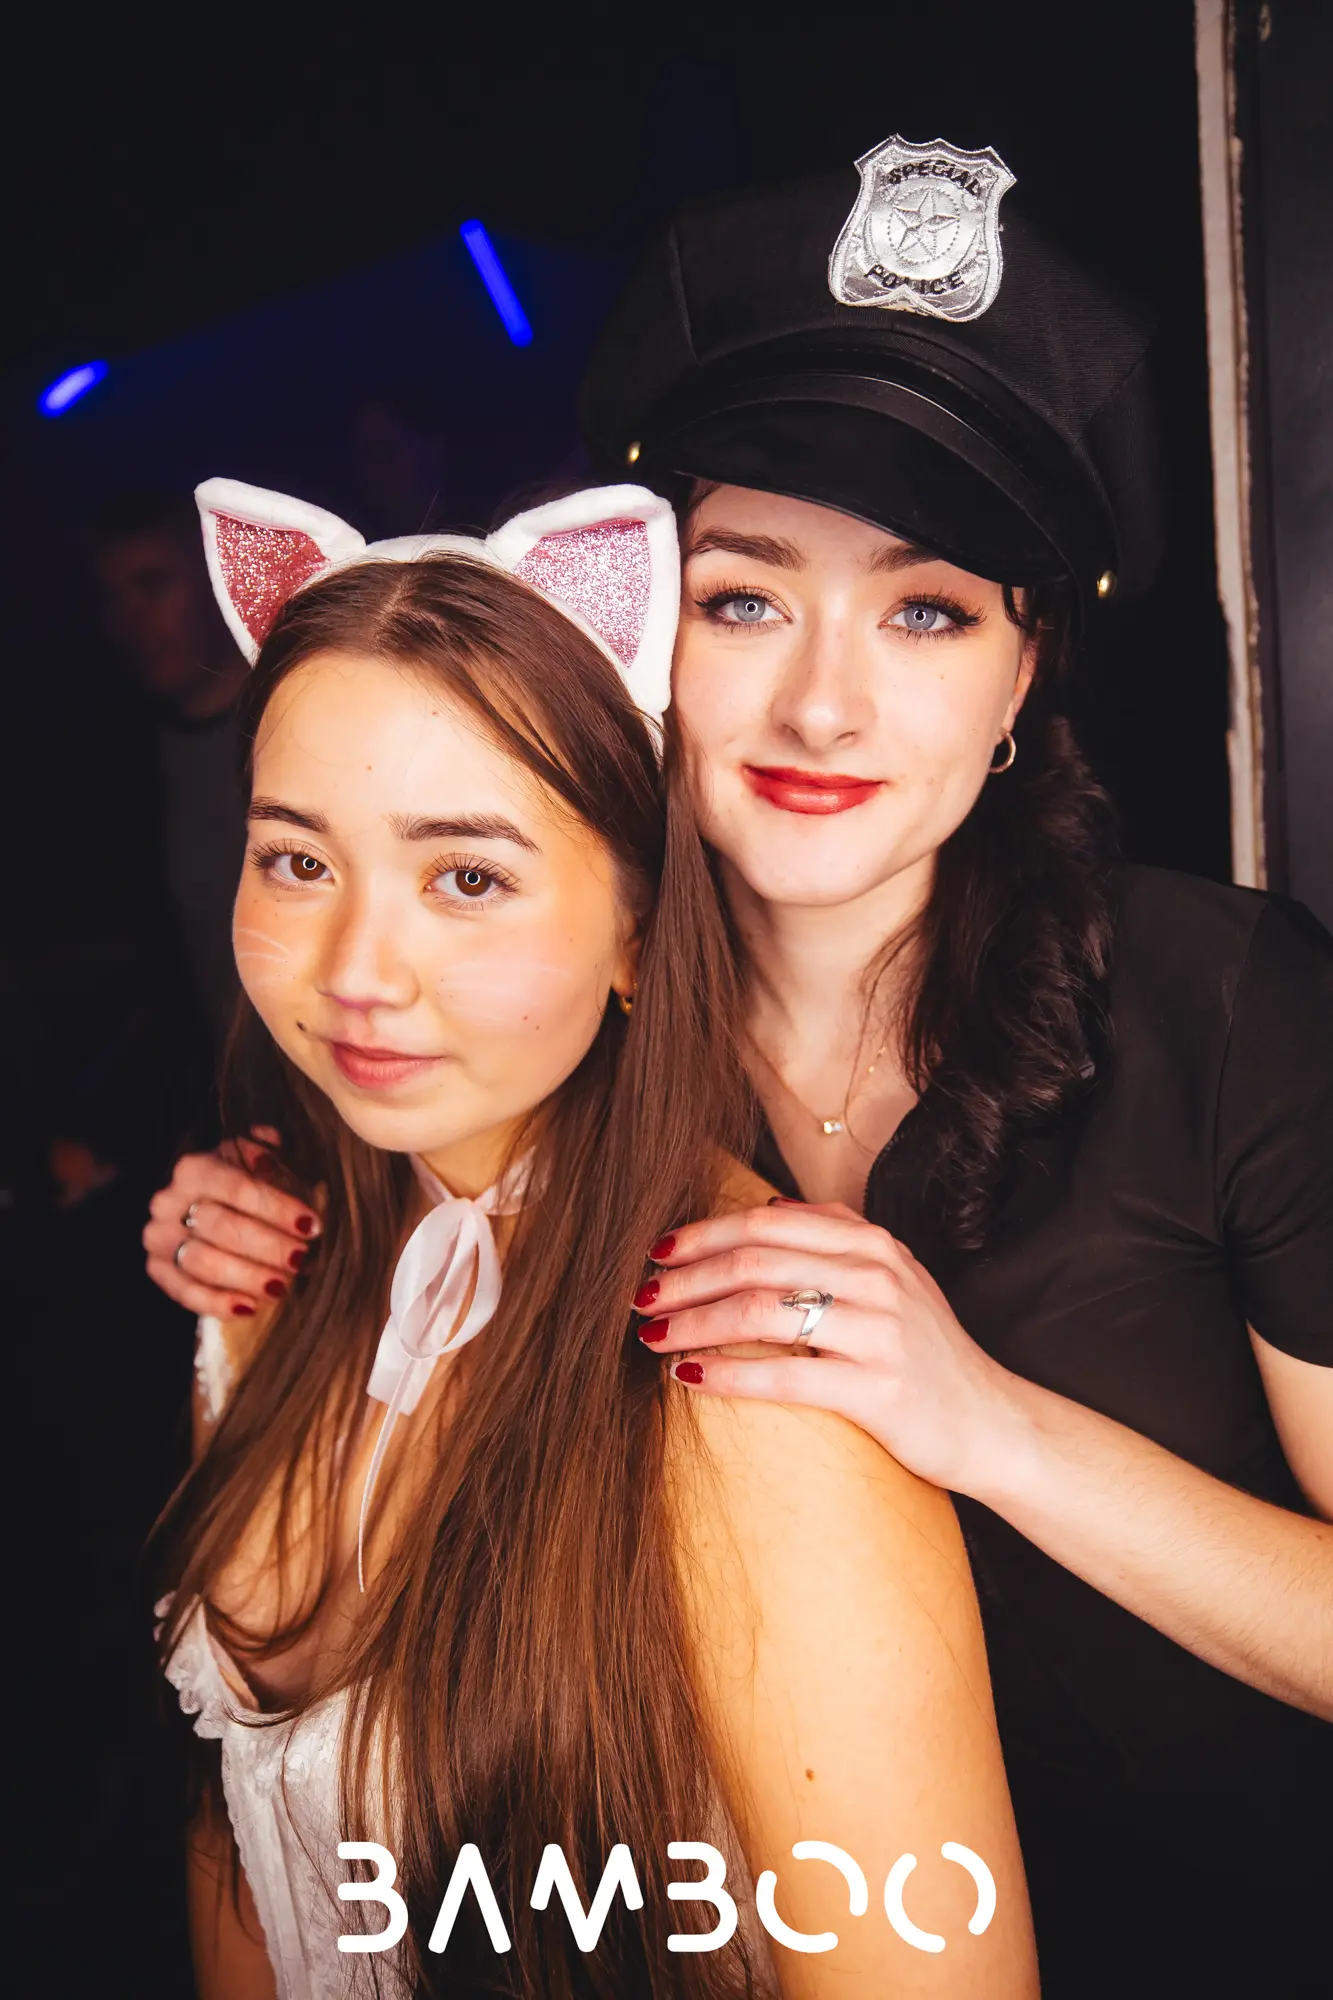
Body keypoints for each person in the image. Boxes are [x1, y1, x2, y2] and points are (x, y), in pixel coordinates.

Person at [148, 144, 1333, 1996]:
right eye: (743, 598)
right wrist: (274, 1216)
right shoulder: (563, 1022)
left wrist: (990, 1426)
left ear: (1026, 673)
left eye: (927, 611)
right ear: (634, 630)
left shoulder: (1229, 1005)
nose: (821, 706)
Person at [154, 476, 1036, 1999]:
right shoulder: (259, 1288)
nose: (358, 970)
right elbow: (243, 1852)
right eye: (298, 859)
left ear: (635, 927)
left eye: (468, 878)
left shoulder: (751, 1389)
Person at [93, 488, 249, 1037]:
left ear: (211, 579)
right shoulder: (121, 768)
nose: (131, 619)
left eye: (153, 585)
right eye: (112, 598)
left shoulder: (297, 725)